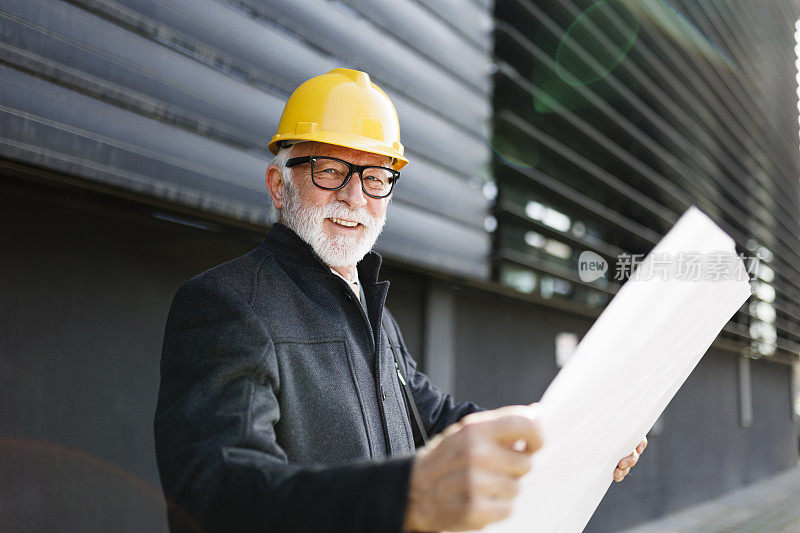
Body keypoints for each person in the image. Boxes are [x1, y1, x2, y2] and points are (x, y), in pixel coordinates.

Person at [153, 68, 645, 533]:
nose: (354, 197)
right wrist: (407, 495)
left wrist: (574, 437)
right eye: (329, 170)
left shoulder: (372, 313)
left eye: (375, 177)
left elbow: (436, 419)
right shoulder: (227, 304)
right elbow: (214, 493)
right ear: (279, 185)